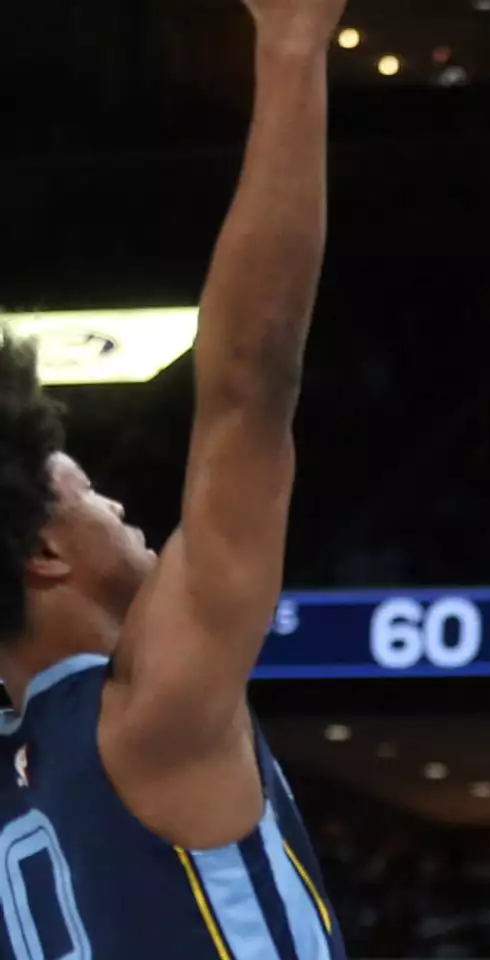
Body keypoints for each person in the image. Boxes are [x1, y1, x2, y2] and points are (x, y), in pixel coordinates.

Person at [0, 0, 346, 957]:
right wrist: (291, 44)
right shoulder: (147, 715)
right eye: (86, 493)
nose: (121, 507)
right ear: (41, 552)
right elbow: (250, 386)